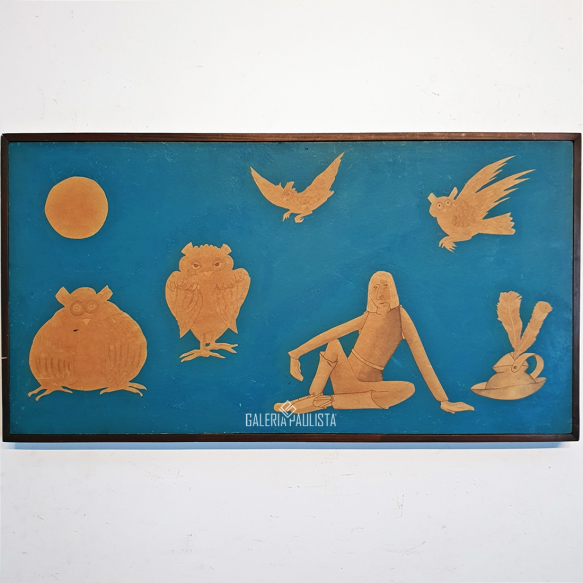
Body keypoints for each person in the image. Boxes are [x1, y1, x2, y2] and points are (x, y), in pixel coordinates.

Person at [275, 271, 474, 415]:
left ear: (392, 289)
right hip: (346, 380)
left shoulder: (400, 317)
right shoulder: (367, 316)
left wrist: (443, 400)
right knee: (334, 344)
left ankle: (325, 401)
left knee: (407, 389)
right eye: (375, 288)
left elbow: (422, 360)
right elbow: (330, 334)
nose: (380, 294)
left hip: (369, 389)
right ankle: (314, 396)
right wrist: (295, 354)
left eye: (385, 287)